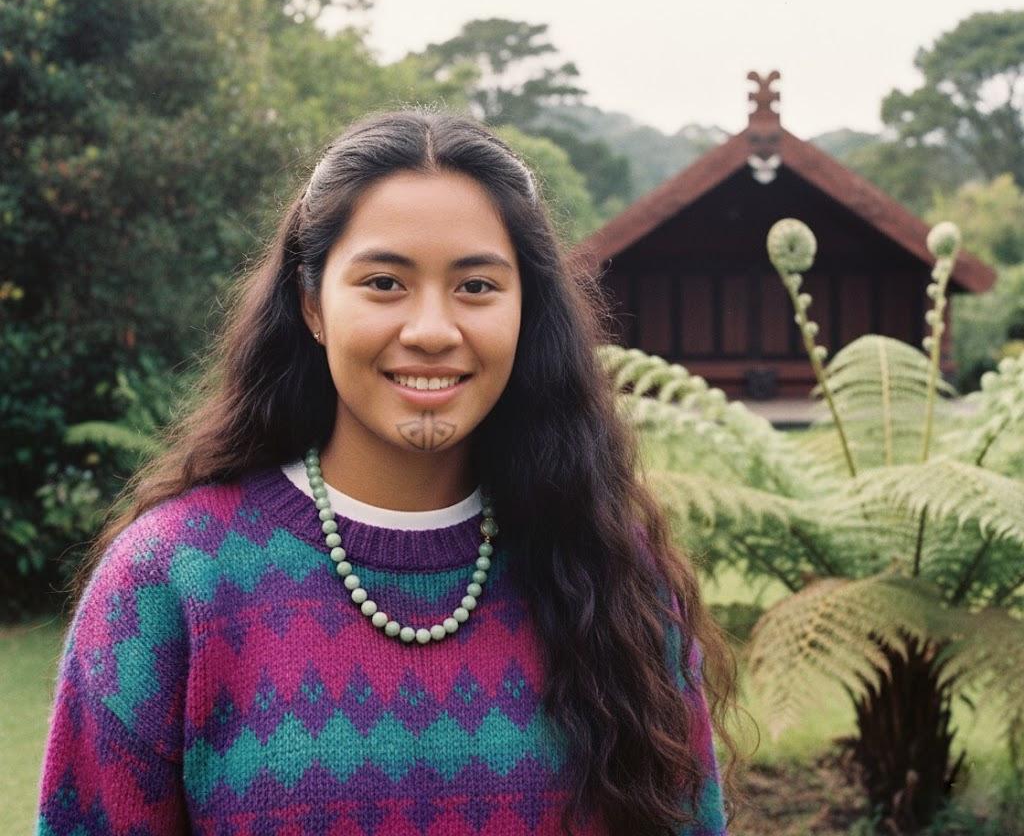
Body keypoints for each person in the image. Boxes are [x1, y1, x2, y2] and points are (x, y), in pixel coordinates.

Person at [36, 108, 739, 835]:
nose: (432, 330)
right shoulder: (170, 580)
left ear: (527, 311)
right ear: (312, 303)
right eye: (383, 283)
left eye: (476, 287)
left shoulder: (614, 573)